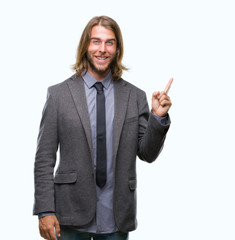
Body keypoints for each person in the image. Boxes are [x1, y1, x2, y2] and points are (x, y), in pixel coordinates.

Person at [33, 15, 172, 240]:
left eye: (110, 42)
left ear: (117, 49)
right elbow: (44, 158)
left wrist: (158, 117)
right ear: (85, 46)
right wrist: (45, 209)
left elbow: (147, 153)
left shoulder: (135, 97)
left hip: (116, 218)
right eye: (96, 41)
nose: (102, 49)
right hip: (69, 216)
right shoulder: (58, 95)